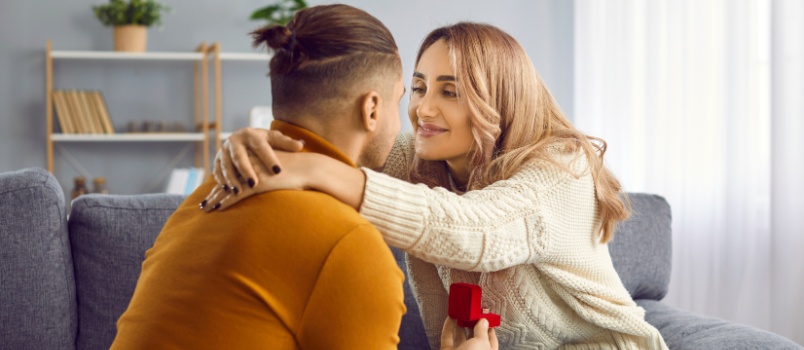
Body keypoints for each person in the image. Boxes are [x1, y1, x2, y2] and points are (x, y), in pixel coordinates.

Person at [206, 20, 669, 350]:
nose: (423, 109)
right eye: (419, 87)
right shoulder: (418, 158)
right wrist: (258, 143)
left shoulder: (561, 167)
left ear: (499, 100)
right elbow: (337, 143)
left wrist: (315, 170)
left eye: (450, 92)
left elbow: (475, 229)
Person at [111, 5, 411, 349]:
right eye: (398, 101)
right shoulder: (349, 244)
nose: (401, 122)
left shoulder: (209, 195)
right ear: (371, 109)